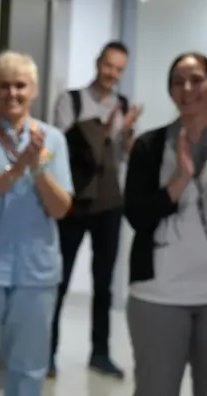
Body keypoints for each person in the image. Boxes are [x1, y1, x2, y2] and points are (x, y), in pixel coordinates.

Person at [124, 52, 207, 396]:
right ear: (170, 92)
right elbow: (137, 216)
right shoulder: (149, 146)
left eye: (196, 80)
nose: (187, 89)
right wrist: (179, 180)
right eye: (178, 82)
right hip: (159, 295)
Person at [0, 52, 73, 396]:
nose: (13, 93)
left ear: (34, 90)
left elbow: (60, 208)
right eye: (4, 85)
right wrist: (15, 170)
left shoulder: (52, 140)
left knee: (28, 370)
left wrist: (37, 167)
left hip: (35, 274)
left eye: (20, 85)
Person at [49, 41, 141, 378]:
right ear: (97, 62)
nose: (112, 73)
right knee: (59, 278)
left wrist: (128, 135)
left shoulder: (123, 105)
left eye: (119, 69)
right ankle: (48, 353)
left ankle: (100, 353)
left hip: (110, 203)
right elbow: (59, 146)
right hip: (74, 201)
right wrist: (109, 128)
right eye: (108, 65)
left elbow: (122, 156)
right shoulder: (70, 100)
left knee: (104, 283)